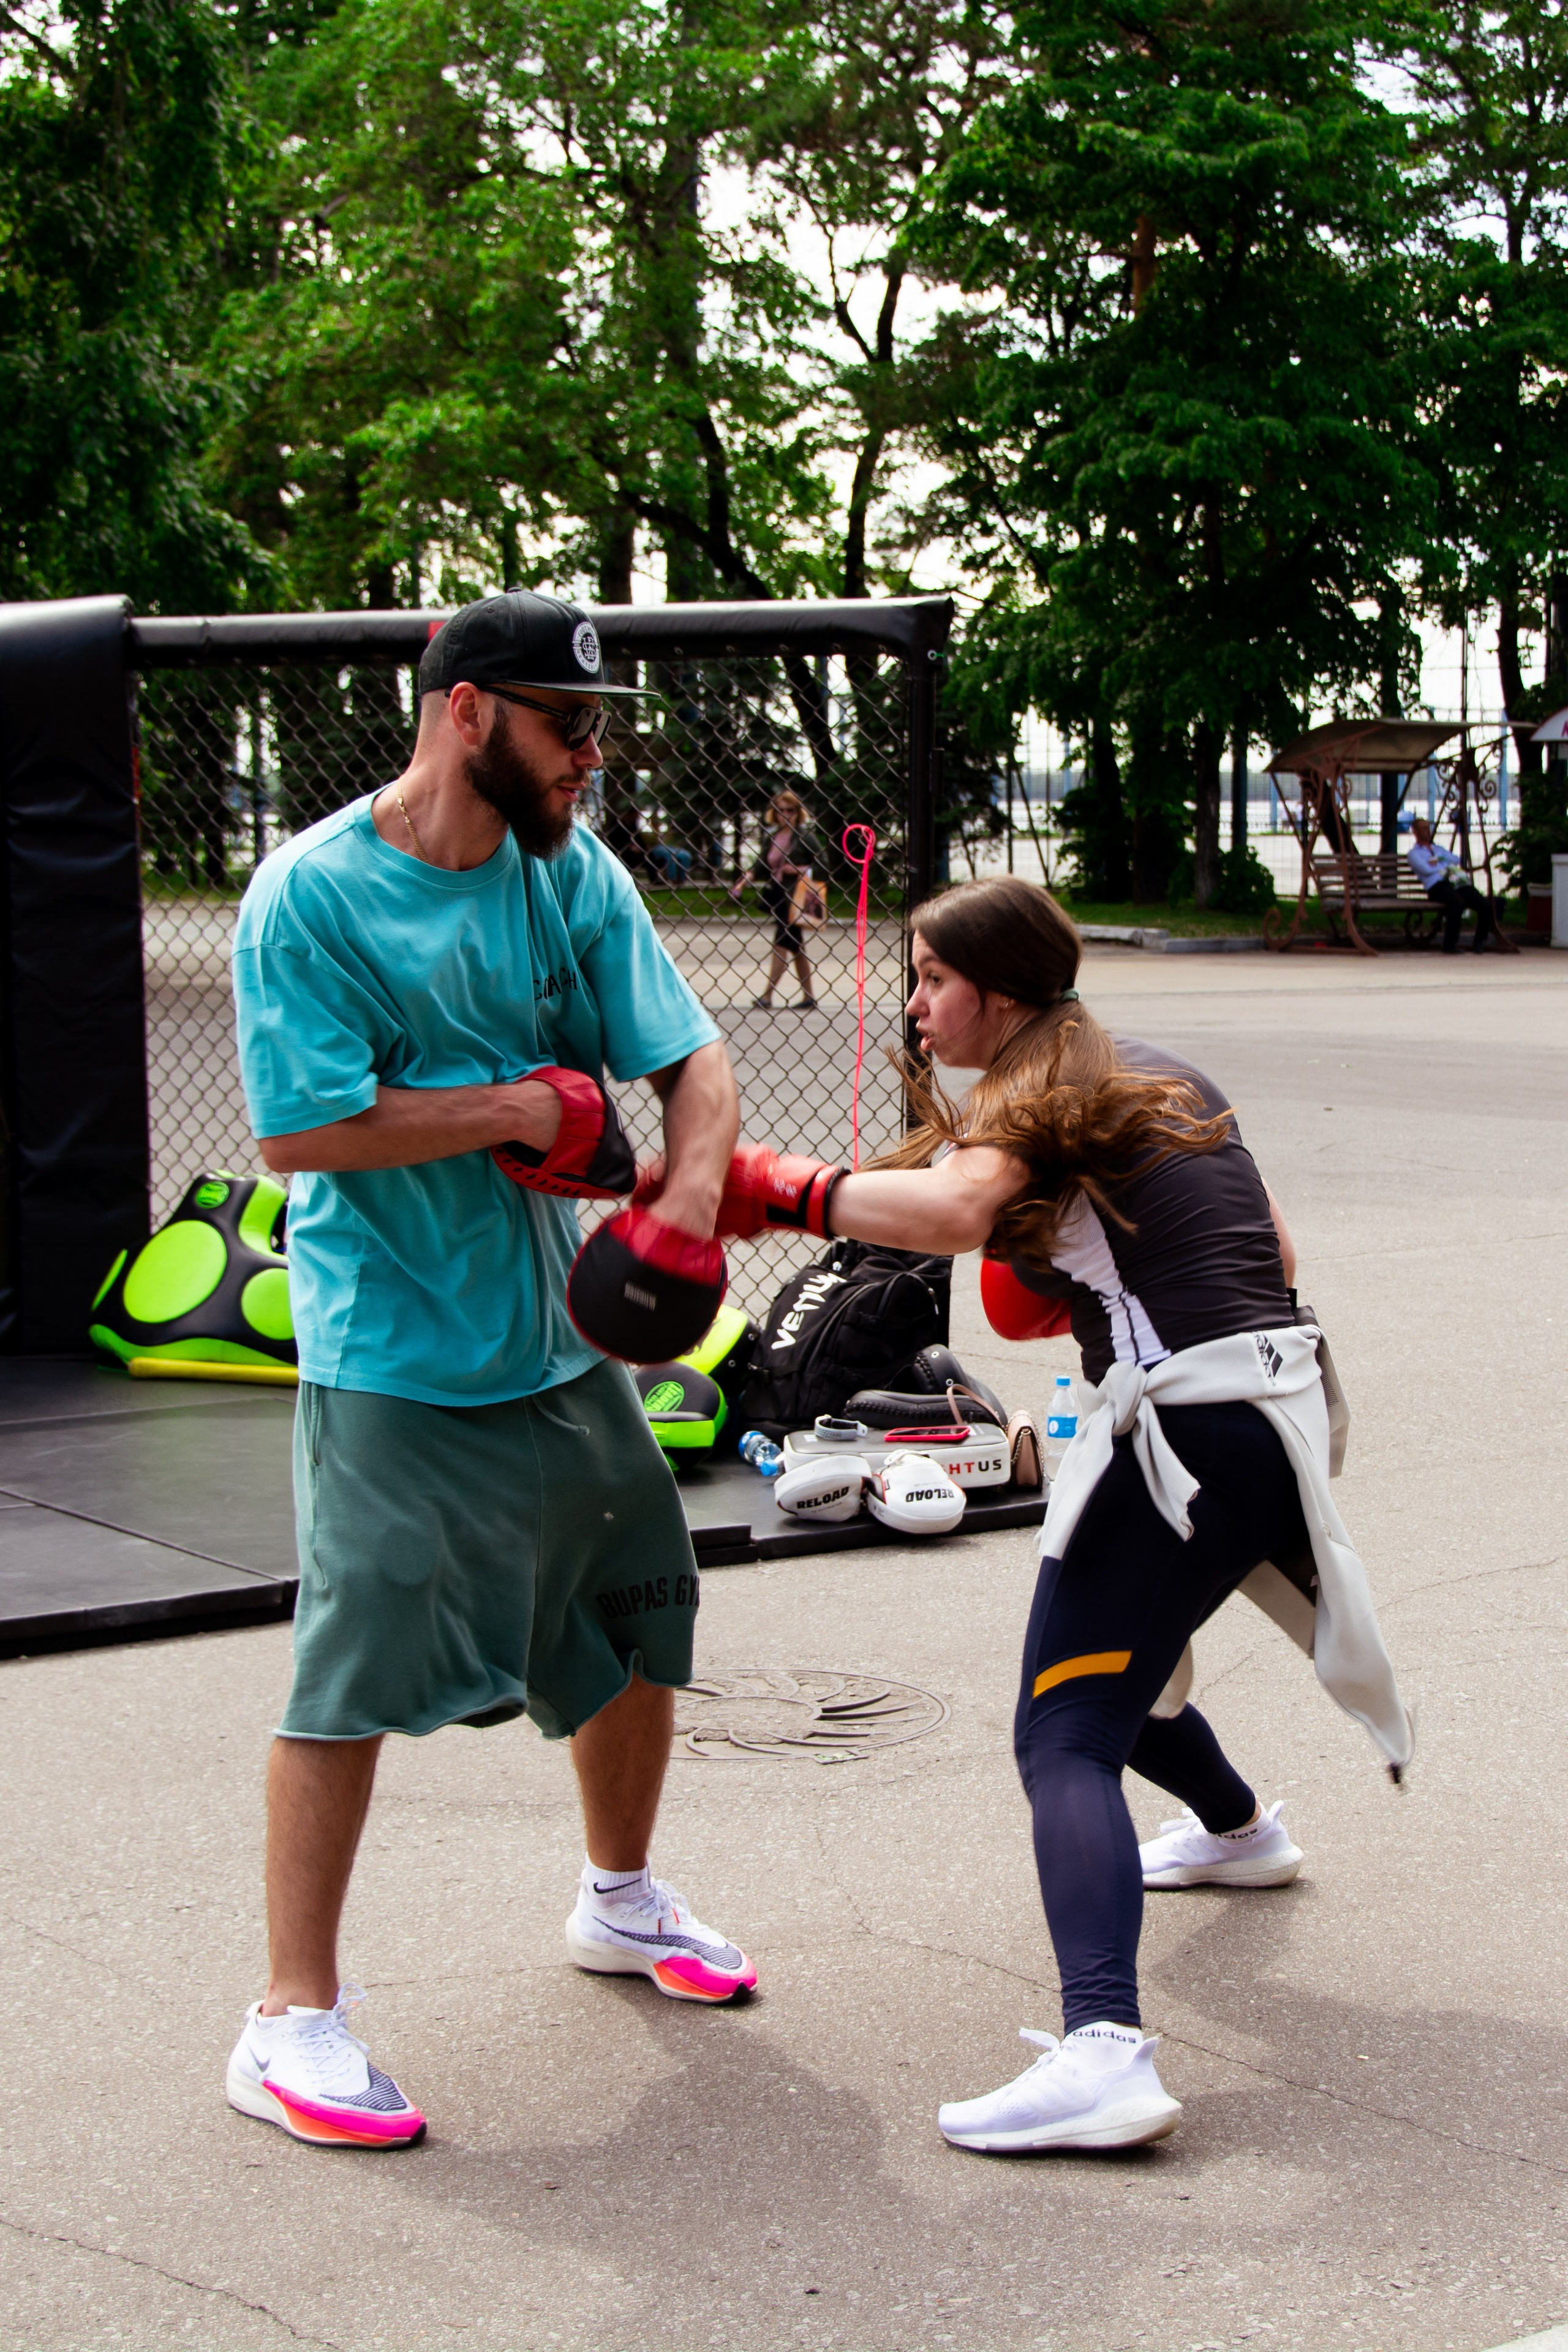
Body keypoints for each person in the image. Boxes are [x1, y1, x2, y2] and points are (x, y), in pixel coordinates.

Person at [696, 875, 1411, 2155]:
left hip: (1191, 1432)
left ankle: (1102, 2054)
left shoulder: (1041, 1090)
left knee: (1059, 1729)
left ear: (1004, 993)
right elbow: (1275, 1252)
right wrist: (1092, 1294)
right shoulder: (1144, 1069)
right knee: (1118, 1669)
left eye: (929, 979)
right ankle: (1239, 1830)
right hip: (1266, 1409)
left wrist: (777, 1185)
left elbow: (957, 1212)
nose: (910, 1004)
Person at [225, 589, 754, 2153]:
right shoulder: (310, 896)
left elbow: (694, 1057)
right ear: (466, 713)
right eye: (564, 724)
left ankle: (616, 1895)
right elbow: (301, 1129)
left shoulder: (563, 868)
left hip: (555, 1342)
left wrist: (688, 1191)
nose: (590, 756)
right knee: (352, 1662)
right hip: (389, 1349)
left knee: (646, 1593)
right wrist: (516, 1112)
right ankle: (288, 2019)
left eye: (599, 727)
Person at [729, 788, 823, 1009]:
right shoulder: (772, 837)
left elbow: (824, 864)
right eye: (781, 810)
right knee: (795, 947)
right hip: (778, 897)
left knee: (781, 943)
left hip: (797, 898)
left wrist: (802, 870)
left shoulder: (805, 837)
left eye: (790, 810)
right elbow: (761, 864)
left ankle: (768, 995)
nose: (785, 815)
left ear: (798, 812)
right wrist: (744, 881)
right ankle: (809, 996)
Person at [1408, 816, 1494, 952]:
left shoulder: (1438, 849)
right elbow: (1426, 870)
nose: (1427, 831)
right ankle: (1449, 945)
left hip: (1454, 883)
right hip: (1437, 887)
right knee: (1458, 903)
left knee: (1484, 904)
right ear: (1415, 832)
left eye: (1428, 828)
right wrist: (1444, 867)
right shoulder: (1414, 854)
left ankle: (1479, 941)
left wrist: (1440, 860)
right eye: (1423, 829)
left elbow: (1455, 859)